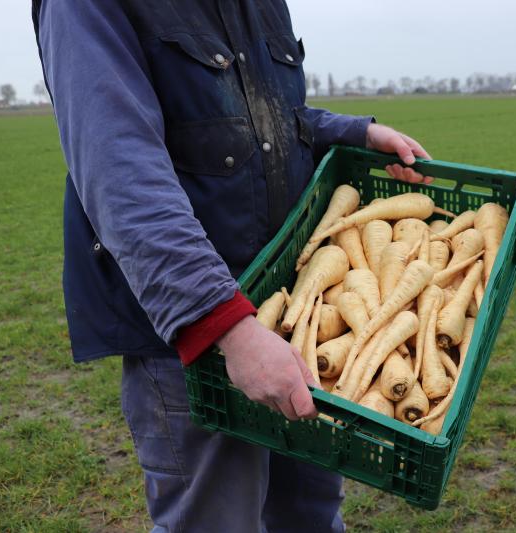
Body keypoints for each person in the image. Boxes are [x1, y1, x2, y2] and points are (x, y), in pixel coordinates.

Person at [32, 1, 432, 531]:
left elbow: (266, 119)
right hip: (194, 338)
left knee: (309, 515)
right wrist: (226, 327)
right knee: (216, 521)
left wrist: (350, 132)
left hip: (292, 318)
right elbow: (121, 170)